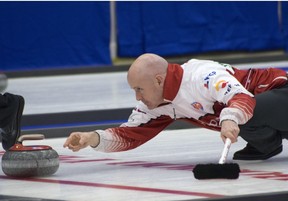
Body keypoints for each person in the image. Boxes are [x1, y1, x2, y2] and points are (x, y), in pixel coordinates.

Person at [64, 53, 288, 161]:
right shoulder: (157, 104)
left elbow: (241, 97)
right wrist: (91, 138)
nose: (137, 97)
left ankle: (266, 142)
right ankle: (267, 144)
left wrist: (229, 118)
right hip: (271, 116)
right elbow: (129, 135)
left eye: (139, 89)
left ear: (159, 80)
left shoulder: (201, 75)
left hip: (282, 93)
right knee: (237, 116)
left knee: (240, 112)